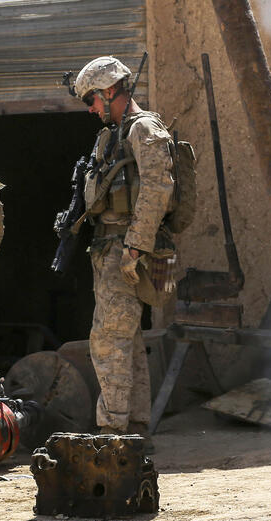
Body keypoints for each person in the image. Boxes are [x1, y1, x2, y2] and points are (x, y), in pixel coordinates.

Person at [72, 55, 175, 437]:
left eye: (92, 99)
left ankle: (112, 435)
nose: (91, 108)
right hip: (110, 248)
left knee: (109, 341)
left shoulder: (143, 128)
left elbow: (157, 187)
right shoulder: (113, 133)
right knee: (127, 341)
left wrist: (135, 247)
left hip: (125, 249)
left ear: (111, 90)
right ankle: (133, 429)